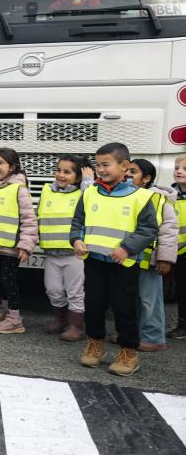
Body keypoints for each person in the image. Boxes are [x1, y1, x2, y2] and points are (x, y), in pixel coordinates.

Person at [70, 142, 158, 377]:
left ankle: (129, 353)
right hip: (95, 261)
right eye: (98, 165)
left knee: (125, 308)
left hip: (124, 265)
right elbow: (78, 221)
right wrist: (76, 240)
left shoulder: (142, 196)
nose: (101, 169)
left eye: (106, 165)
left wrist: (127, 249)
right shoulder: (88, 192)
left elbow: (148, 229)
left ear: (125, 166)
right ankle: (95, 343)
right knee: (94, 305)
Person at [38, 155, 94, 341]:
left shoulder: (82, 193)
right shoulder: (48, 191)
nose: (60, 175)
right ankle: (60, 319)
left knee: (75, 292)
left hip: (74, 254)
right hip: (52, 253)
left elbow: (91, 201)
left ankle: (76, 326)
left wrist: (88, 182)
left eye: (67, 172)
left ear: (78, 178)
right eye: (58, 170)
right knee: (53, 289)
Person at [124, 158, 177, 352]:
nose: (128, 175)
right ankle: (133, 334)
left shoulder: (158, 199)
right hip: (129, 259)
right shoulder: (126, 196)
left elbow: (169, 230)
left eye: (133, 172)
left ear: (146, 178)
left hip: (150, 260)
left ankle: (154, 338)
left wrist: (165, 258)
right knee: (131, 298)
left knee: (149, 299)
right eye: (126, 171)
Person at [0, 147, 38, 334]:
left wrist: (26, 245)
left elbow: (29, 218)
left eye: (1, 163)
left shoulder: (18, 188)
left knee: (9, 281)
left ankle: (15, 319)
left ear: (12, 167)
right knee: (0, 279)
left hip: (11, 247)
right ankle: (5, 309)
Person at [167, 153, 186, 339]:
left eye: (185, 169)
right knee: (182, 288)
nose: (179, 171)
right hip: (179, 250)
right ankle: (183, 324)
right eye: (177, 168)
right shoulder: (169, 195)